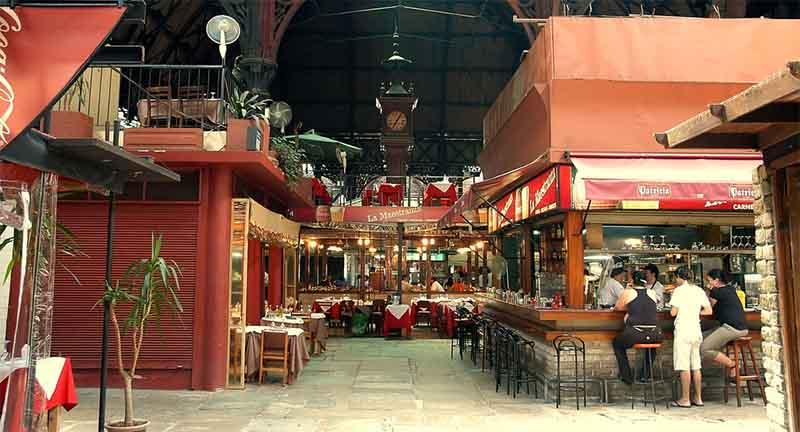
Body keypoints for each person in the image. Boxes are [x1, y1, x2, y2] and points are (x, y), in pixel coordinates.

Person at [670, 266, 712, 408]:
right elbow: (708, 310)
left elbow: (673, 313)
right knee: (696, 365)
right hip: (696, 330)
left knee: (684, 365)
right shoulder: (699, 290)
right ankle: (698, 398)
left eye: (676, 277)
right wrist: (695, 313)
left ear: (680, 277)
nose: (676, 280)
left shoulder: (678, 291)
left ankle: (685, 399)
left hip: (683, 330)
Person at [612, 271, 662, 385]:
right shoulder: (652, 292)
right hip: (655, 334)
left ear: (632, 280)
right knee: (651, 345)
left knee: (617, 343)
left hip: (635, 334)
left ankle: (627, 377)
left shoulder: (628, 292)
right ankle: (645, 375)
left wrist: (628, 290)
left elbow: (618, 308)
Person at [700, 269, 749, 380]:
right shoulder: (730, 289)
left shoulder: (717, 291)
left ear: (716, 280)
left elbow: (709, 308)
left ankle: (732, 365)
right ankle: (697, 372)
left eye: (709, 280)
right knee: (699, 337)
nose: (708, 283)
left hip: (733, 328)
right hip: (735, 327)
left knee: (705, 348)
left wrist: (709, 290)